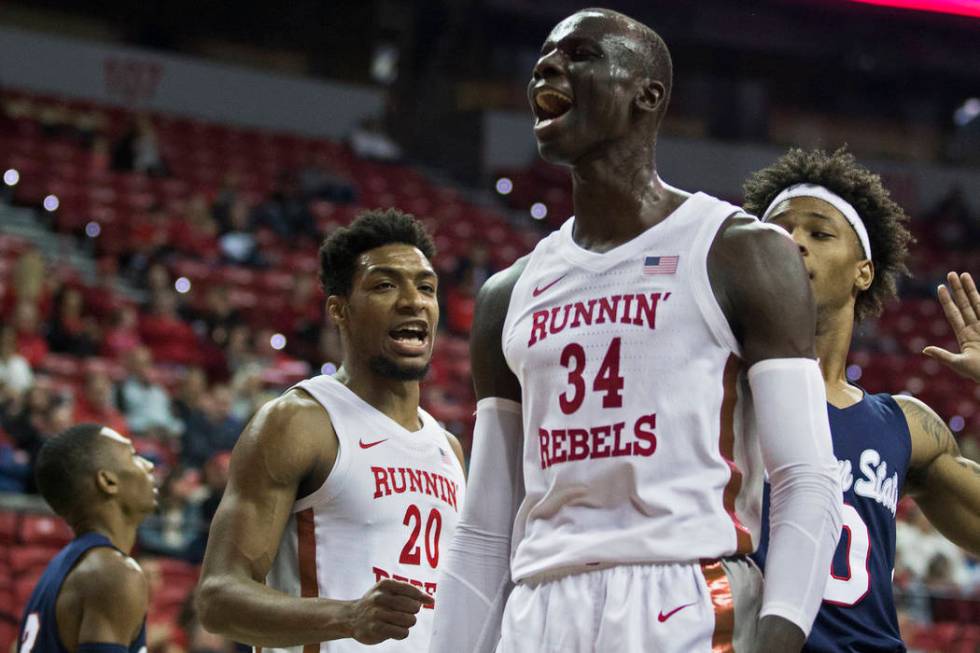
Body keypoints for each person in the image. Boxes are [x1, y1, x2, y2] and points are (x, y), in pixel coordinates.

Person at [431, 9, 842, 653]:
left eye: (582, 54)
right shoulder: (508, 293)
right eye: (544, 56)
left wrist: (781, 633)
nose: (548, 66)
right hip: (538, 607)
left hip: (685, 595)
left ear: (646, 96)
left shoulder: (739, 251)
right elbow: (484, 526)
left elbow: (808, 478)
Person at [742, 148, 980, 652]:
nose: (794, 242)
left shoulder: (905, 426)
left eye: (819, 233)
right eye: (777, 231)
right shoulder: (712, 393)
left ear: (863, 272)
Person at [197, 209, 466, 651]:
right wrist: (348, 616)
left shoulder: (448, 448)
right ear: (339, 310)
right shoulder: (300, 421)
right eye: (384, 285)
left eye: (426, 287)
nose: (412, 300)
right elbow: (218, 598)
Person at [16, 422, 158, 652]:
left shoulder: (62, 567)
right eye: (133, 456)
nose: (149, 465)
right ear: (108, 481)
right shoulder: (112, 574)